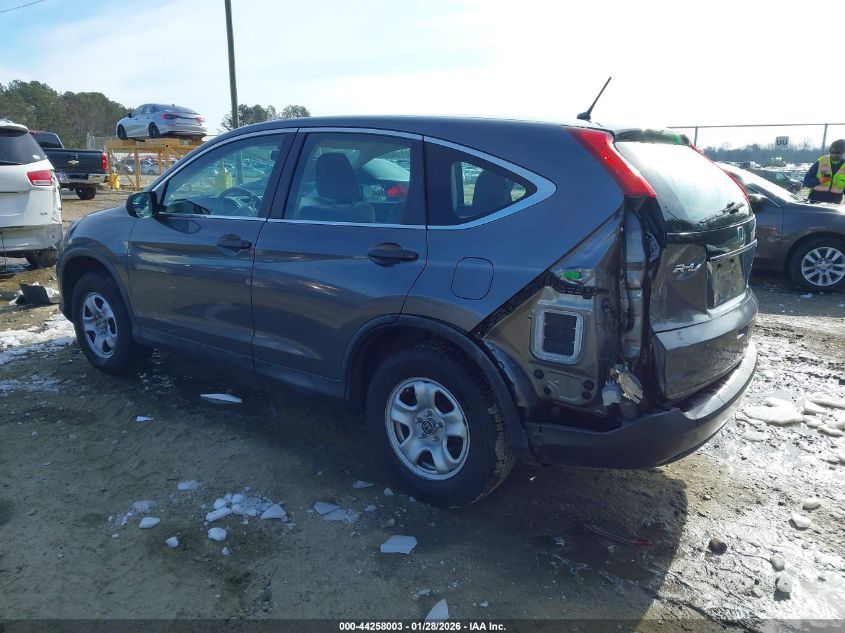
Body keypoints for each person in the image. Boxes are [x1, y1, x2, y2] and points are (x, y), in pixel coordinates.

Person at [803, 139, 845, 203]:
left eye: (837, 153)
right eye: (832, 152)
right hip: (815, 202)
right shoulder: (821, 162)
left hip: (834, 205)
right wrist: (819, 180)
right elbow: (806, 182)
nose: (834, 155)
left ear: (843, 152)